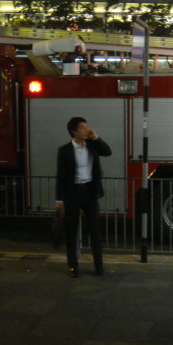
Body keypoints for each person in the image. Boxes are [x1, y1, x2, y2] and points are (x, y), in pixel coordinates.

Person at [56, 117, 112, 278]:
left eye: (87, 127)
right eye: (82, 128)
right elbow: (61, 176)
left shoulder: (92, 145)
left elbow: (108, 152)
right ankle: (73, 267)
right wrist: (59, 199)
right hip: (72, 193)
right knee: (71, 231)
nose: (86, 130)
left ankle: (99, 266)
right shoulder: (65, 150)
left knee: (94, 231)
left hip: (89, 192)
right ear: (74, 131)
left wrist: (96, 138)